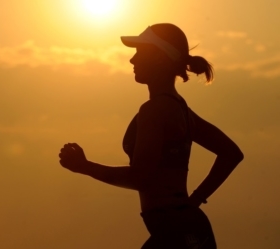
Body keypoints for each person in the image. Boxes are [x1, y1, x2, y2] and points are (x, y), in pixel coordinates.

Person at [58, 23, 244, 249]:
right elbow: (231, 153)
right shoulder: (180, 108)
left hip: (176, 232)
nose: (132, 60)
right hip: (188, 228)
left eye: (139, 52)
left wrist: (84, 167)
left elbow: (140, 178)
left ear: (159, 58)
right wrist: (193, 202)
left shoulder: (154, 110)